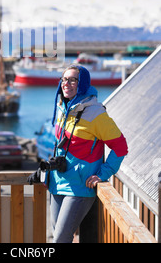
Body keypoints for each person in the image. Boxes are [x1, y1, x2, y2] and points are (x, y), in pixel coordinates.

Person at [28, 64, 128, 243]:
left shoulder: (96, 113)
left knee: (60, 239)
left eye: (73, 79)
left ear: (83, 84)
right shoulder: (62, 108)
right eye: (64, 79)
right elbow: (61, 147)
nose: (67, 83)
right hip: (57, 182)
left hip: (80, 187)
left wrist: (103, 174)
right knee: (56, 234)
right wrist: (45, 172)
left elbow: (121, 147)